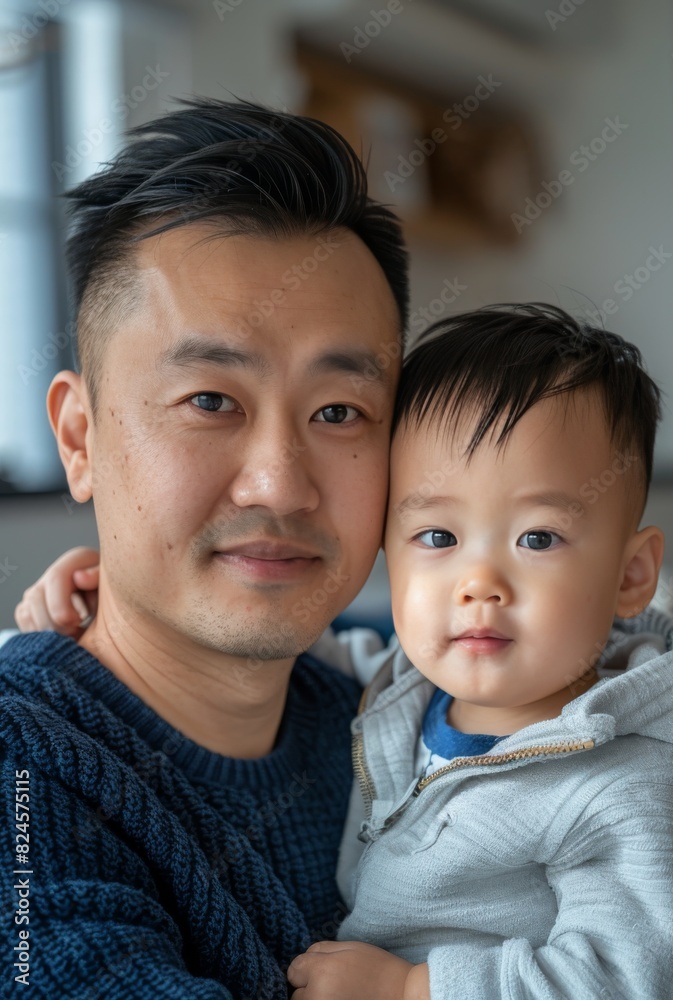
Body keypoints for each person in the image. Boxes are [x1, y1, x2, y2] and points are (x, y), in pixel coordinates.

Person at [0, 97, 409, 998]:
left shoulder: (394, 726)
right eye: (210, 401)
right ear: (80, 440)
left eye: (338, 413)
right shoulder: (24, 761)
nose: (280, 484)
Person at [281, 306, 673, 999]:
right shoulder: (401, 686)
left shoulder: (629, 787)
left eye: (536, 539)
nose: (479, 585)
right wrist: (132, 601)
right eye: (438, 538)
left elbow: (623, 980)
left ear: (629, 577)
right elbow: (291, 649)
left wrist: (414, 989)